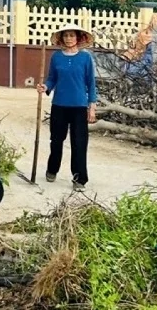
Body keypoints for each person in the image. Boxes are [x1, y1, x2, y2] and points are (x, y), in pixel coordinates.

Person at [36, 23, 98, 192]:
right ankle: (52, 169)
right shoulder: (56, 57)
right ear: (61, 38)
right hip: (59, 106)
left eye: (72, 35)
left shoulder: (85, 58)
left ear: (78, 38)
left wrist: (91, 107)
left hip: (79, 106)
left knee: (79, 143)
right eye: (66, 35)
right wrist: (45, 87)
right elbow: (51, 79)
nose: (69, 38)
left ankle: (79, 178)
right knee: (56, 141)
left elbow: (91, 84)